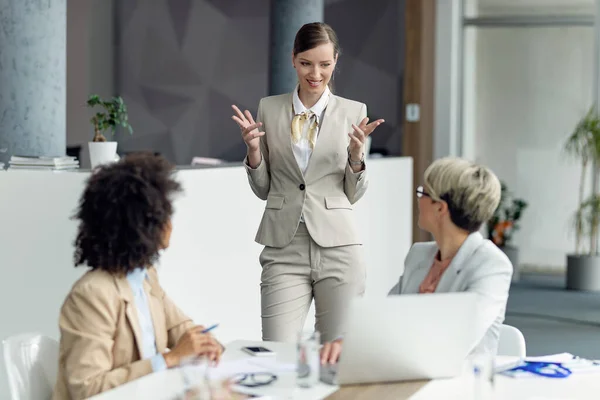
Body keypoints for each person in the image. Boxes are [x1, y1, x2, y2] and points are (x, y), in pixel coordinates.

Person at [231, 22, 384, 343]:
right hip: (284, 247)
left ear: (336, 61)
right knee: (277, 350)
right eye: (306, 64)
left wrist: (357, 157)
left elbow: (353, 194)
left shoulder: (354, 112)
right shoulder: (269, 109)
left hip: (339, 247)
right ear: (293, 59)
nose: (316, 74)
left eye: (325, 65)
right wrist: (254, 151)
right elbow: (263, 190)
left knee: (337, 356)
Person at [53, 153, 223, 400]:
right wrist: (170, 358)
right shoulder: (92, 295)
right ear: (140, 227)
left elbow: (179, 326)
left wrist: (204, 342)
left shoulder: (145, 277)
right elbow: (87, 389)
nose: (170, 226)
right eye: (163, 216)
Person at [320, 157, 513, 364]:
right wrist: (347, 342)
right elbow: (386, 317)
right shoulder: (419, 255)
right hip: (403, 372)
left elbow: (456, 342)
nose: (418, 198)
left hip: (459, 384)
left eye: (423, 192)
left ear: (440, 208)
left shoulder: (491, 265)